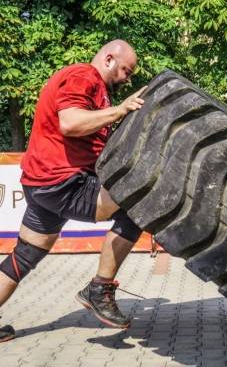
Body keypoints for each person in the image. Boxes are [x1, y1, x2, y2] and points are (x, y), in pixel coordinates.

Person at [0, 39, 147, 341]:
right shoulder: (84, 76)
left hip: (43, 183)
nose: (127, 79)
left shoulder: (98, 90)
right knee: (137, 207)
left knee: (24, 256)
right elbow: (70, 122)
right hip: (62, 182)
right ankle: (99, 289)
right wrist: (119, 110)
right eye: (126, 70)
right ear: (109, 59)